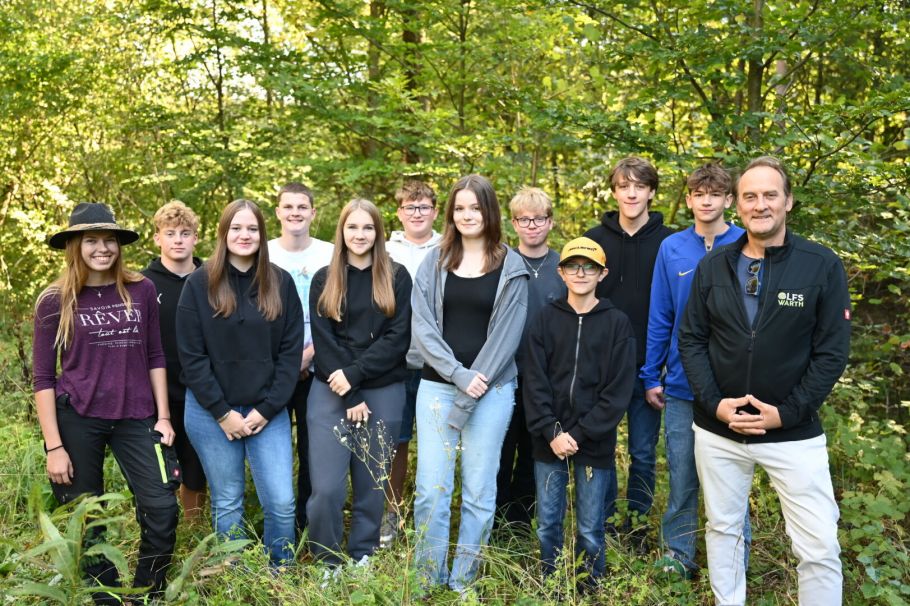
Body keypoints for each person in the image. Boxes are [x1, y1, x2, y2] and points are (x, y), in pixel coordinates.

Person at [679, 156, 850, 605]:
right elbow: (691, 339)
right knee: (723, 529)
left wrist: (787, 413)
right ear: (737, 205)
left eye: (770, 195)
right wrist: (715, 404)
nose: (760, 205)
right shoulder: (713, 267)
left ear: (788, 201)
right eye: (750, 196)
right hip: (719, 429)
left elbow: (832, 352)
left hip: (792, 432)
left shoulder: (820, 265)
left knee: (818, 543)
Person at [33, 203, 179, 604]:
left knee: (162, 507)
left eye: (110, 240)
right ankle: (107, 596)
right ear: (75, 246)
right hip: (77, 417)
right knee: (87, 518)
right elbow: (43, 378)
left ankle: (146, 594)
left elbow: (155, 355)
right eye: (92, 240)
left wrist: (164, 417)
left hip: (137, 415)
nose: (103, 248)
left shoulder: (141, 290)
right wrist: (54, 446)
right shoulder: (55, 300)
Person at [411, 174, 529, 592]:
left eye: (475, 207)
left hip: (492, 392)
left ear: (489, 211)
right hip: (437, 388)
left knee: (479, 491)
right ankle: (427, 579)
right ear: (450, 213)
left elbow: (506, 338)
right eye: (459, 208)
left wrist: (472, 385)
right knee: (431, 490)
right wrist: (458, 375)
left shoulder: (512, 266)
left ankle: (463, 581)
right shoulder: (435, 261)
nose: (467, 215)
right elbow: (423, 327)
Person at [177, 199, 303, 568]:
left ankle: (280, 573)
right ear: (223, 233)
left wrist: (267, 409)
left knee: (281, 500)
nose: (244, 235)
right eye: (236, 228)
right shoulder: (199, 284)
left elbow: (290, 354)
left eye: (252, 228)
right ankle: (232, 577)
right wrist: (222, 413)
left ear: (262, 234)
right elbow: (192, 356)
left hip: (267, 410)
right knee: (228, 499)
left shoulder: (280, 282)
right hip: (211, 412)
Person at [639, 164, 749, 578]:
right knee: (682, 477)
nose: (706, 201)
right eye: (699, 194)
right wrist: (652, 374)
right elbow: (660, 314)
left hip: (734, 385)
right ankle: (679, 556)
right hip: (682, 386)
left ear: (728, 200)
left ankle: (734, 560)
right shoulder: (672, 248)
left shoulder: (746, 242)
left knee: (730, 484)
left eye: (715, 194)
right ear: (688, 200)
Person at [523, 237, 635, 586]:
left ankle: (590, 586)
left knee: (589, 526)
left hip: (594, 440)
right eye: (573, 266)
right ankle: (552, 584)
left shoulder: (617, 323)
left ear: (603, 274)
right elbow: (534, 380)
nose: (581, 273)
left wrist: (581, 433)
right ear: (561, 272)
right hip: (549, 440)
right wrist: (551, 431)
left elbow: (618, 390)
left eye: (590, 267)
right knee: (548, 522)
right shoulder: (545, 319)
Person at [307, 199, 412, 567]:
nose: (360, 234)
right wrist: (350, 391)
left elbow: (397, 339)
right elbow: (324, 342)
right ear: (342, 231)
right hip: (331, 390)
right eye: (352, 227)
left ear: (378, 232)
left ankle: (363, 554)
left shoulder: (397, 277)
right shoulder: (324, 278)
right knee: (326, 489)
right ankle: (327, 561)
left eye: (368, 227)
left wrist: (355, 374)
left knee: (371, 483)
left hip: (383, 389)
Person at [583, 156, 672, 543]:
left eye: (639, 186)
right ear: (614, 191)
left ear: (651, 192)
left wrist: (664, 365)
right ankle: (601, 526)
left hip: (650, 368)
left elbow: (676, 308)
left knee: (643, 453)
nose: (631, 193)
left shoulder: (670, 242)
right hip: (602, 368)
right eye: (624, 186)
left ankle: (636, 527)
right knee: (599, 448)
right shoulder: (593, 241)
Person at [496, 187, 565, 529]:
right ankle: (496, 523)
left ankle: (521, 524)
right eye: (524, 220)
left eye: (538, 219)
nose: (532, 226)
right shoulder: (501, 263)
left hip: (545, 378)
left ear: (550, 222)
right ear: (513, 224)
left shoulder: (563, 267)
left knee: (533, 451)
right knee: (500, 450)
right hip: (504, 375)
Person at [267, 182, 334, 535]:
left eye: (302, 207)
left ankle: (306, 525)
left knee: (313, 452)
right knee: (274, 451)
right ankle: (278, 522)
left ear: (312, 212)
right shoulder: (263, 253)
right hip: (273, 370)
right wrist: (287, 361)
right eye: (288, 206)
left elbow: (339, 315)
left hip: (319, 369)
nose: (295, 212)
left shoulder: (330, 254)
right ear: (278, 212)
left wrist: (307, 356)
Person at [380, 180, 441, 548]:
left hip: (438, 365)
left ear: (435, 211)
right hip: (396, 363)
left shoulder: (449, 248)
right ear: (399, 213)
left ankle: (430, 517)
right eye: (409, 207)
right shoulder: (384, 250)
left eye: (423, 207)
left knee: (437, 444)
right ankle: (392, 513)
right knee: (395, 443)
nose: (417, 213)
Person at [142, 200, 207, 520]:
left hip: (203, 390)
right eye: (170, 233)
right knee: (161, 467)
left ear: (196, 237)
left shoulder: (212, 278)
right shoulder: (142, 284)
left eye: (185, 233)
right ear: (157, 238)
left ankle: (194, 528)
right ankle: (164, 527)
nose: (178, 240)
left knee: (196, 467)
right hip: (157, 392)